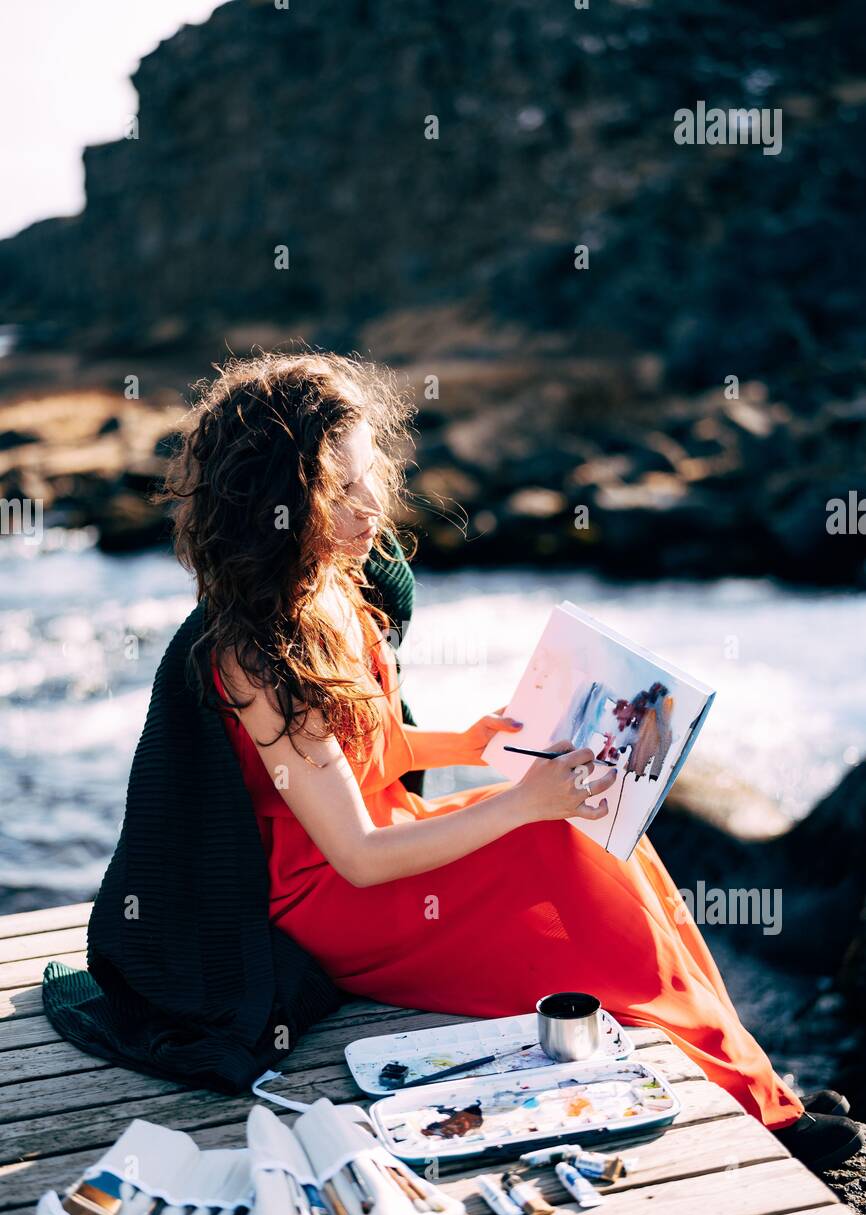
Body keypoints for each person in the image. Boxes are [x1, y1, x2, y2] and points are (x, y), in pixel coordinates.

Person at [161, 349, 860, 1172]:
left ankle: (753, 1083)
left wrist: (464, 743)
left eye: (369, 478)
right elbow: (353, 852)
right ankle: (764, 1114)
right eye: (336, 491)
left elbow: (364, 749)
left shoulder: (336, 588)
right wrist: (525, 802)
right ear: (275, 501)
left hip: (393, 843)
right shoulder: (254, 652)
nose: (368, 508)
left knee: (621, 849)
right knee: (566, 849)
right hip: (338, 895)